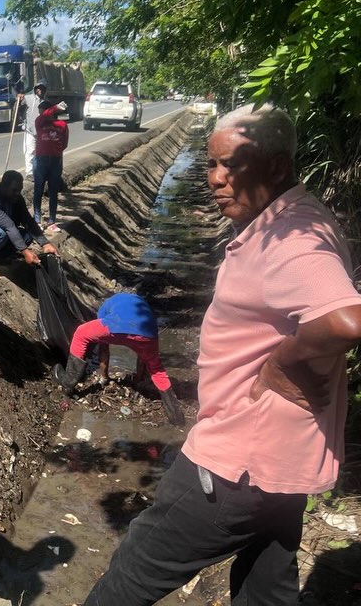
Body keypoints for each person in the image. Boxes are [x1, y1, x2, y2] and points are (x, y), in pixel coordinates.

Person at [85, 105, 361, 605]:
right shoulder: (294, 218)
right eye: (211, 164)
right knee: (267, 586)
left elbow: (344, 320)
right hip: (284, 455)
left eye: (231, 165)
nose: (215, 179)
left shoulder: (292, 239)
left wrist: (281, 363)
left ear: (276, 167)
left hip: (237, 459)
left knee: (132, 575)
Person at [55, 293, 184, 425]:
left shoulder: (106, 305)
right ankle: (176, 416)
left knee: (81, 333)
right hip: (148, 334)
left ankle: (68, 383)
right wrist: (138, 380)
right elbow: (142, 357)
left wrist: (104, 377)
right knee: (157, 370)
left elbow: (104, 348)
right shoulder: (142, 303)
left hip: (116, 327)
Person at [33, 95, 69, 231]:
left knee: (53, 191)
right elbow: (43, 117)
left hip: (55, 160)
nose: (41, 113)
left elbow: (64, 143)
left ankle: (52, 221)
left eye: (43, 110)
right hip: (41, 160)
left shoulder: (62, 125)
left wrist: (55, 151)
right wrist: (55, 107)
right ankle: (37, 220)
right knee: (38, 190)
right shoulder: (39, 122)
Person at [21, 82, 46, 174]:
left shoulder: (45, 102)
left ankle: (38, 171)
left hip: (42, 131)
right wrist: (19, 99)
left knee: (40, 152)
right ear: (35, 89)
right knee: (30, 151)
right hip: (30, 130)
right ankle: (29, 173)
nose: (40, 90)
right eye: (38, 88)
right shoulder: (28, 98)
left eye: (42, 89)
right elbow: (18, 105)